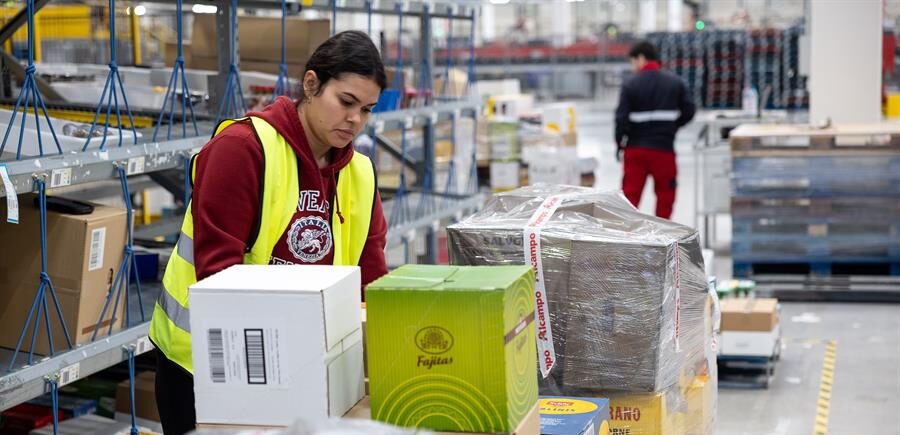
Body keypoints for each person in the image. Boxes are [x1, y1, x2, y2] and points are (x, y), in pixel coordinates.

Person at [148, 30, 389, 435]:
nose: (355, 120)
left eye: (366, 109)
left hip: (302, 369)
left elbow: (371, 277)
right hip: (207, 365)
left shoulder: (358, 172)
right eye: (346, 102)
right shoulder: (242, 148)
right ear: (311, 85)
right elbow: (217, 273)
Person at [614, 40, 696, 220]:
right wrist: (672, 127)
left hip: (635, 150)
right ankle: (662, 239)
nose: (633, 67)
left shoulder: (630, 85)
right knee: (665, 197)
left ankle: (627, 241)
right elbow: (689, 110)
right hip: (664, 149)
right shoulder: (675, 82)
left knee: (630, 198)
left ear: (641, 58)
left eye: (633, 61)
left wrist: (619, 144)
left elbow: (620, 119)